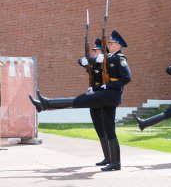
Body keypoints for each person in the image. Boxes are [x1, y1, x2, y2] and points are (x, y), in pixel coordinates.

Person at [29, 30, 131, 171]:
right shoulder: (109, 57)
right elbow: (96, 63)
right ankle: (115, 162)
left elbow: (127, 78)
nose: (110, 44)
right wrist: (89, 62)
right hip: (105, 94)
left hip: (110, 95)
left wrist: (106, 85)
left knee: (80, 100)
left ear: (118, 45)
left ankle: (47, 104)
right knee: (109, 129)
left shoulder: (119, 58)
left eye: (112, 43)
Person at [78, 38, 110, 167]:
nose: (93, 53)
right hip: (93, 98)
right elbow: (83, 62)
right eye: (93, 51)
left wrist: (91, 61)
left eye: (95, 51)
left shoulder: (106, 63)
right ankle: (106, 157)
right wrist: (81, 61)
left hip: (103, 97)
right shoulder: (93, 63)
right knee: (98, 127)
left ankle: (112, 157)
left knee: (106, 127)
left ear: (102, 52)